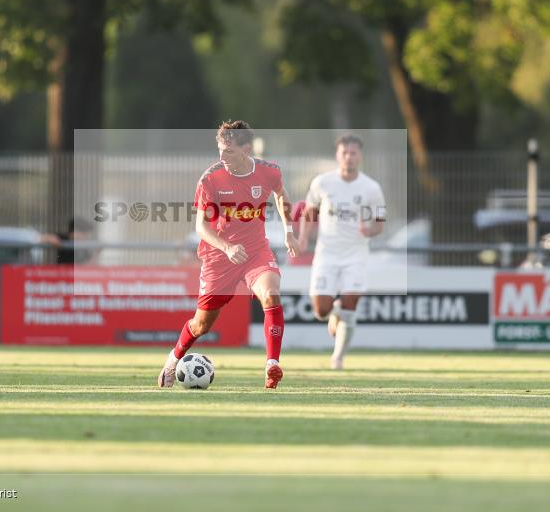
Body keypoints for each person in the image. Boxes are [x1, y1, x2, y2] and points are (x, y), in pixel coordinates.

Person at [157, 120, 299, 389]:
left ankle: (272, 365)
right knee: (202, 325)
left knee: (271, 294)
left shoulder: (269, 172)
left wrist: (288, 231)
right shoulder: (211, 178)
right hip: (218, 258)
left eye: (229, 151)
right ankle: (173, 359)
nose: (222, 156)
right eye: (220, 150)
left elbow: (281, 194)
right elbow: (201, 226)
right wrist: (227, 247)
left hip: (256, 251)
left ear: (247, 149)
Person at [298, 134, 386, 370]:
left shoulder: (371, 188)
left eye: (353, 153)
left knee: (350, 306)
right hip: (327, 254)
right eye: (344, 153)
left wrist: (369, 230)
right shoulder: (322, 183)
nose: (349, 157)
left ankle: (338, 357)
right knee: (321, 310)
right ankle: (334, 314)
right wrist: (304, 238)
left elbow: (379, 222)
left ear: (360, 156)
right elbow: (309, 213)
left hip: (355, 255)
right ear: (338, 155)